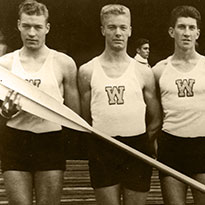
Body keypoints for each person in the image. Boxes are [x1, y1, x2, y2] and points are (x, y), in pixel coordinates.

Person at [78, 4, 161, 205]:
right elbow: (86, 118)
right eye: (112, 27)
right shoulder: (87, 70)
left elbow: (155, 118)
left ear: (130, 31)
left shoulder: (143, 71)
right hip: (103, 149)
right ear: (103, 29)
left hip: (136, 147)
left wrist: (141, 143)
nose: (118, 33)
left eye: (123, 28)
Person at [0, 0, 80, 204]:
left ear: (47, 28)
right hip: (15, 140)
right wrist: (5, 113)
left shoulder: (63, 63)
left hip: (50, 141)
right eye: (26, 26)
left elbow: (75, 113)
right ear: (18, 25)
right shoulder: (5, 64)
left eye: (37, 27)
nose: (32, 33)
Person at [153, 5, 205, 205]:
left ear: (198, 33)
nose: (186, 33)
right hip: (172, 147)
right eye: (181, 27)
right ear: (171, 31)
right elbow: (154, 115)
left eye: (192, 28)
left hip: (202, 144)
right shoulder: (159, 70)